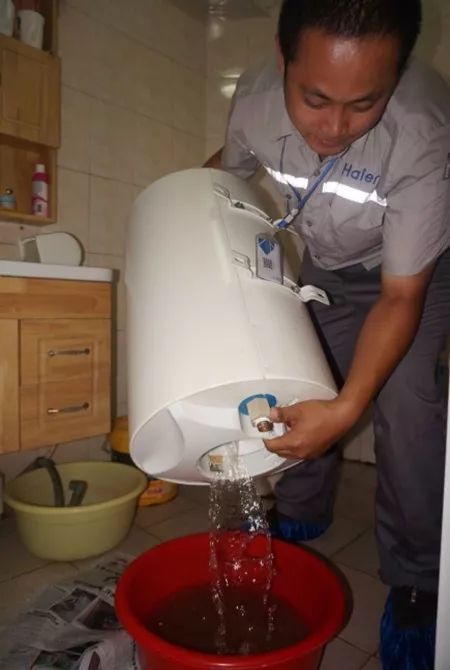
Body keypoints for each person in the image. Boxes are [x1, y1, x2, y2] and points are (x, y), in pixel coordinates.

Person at [204, 0, 450, 667]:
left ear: (398, 74)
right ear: (282, 59)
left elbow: (401, 296)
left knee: (407, 403)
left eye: (364, 103)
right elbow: (228, 174)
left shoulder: (425, 126)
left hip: (413, 273)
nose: (335, 128)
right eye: (314, 99)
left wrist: (348, 408)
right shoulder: (254, 100)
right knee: (300, 377)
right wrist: (187, 205)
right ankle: (300, 516)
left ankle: (419, 580)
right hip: (329, 266)